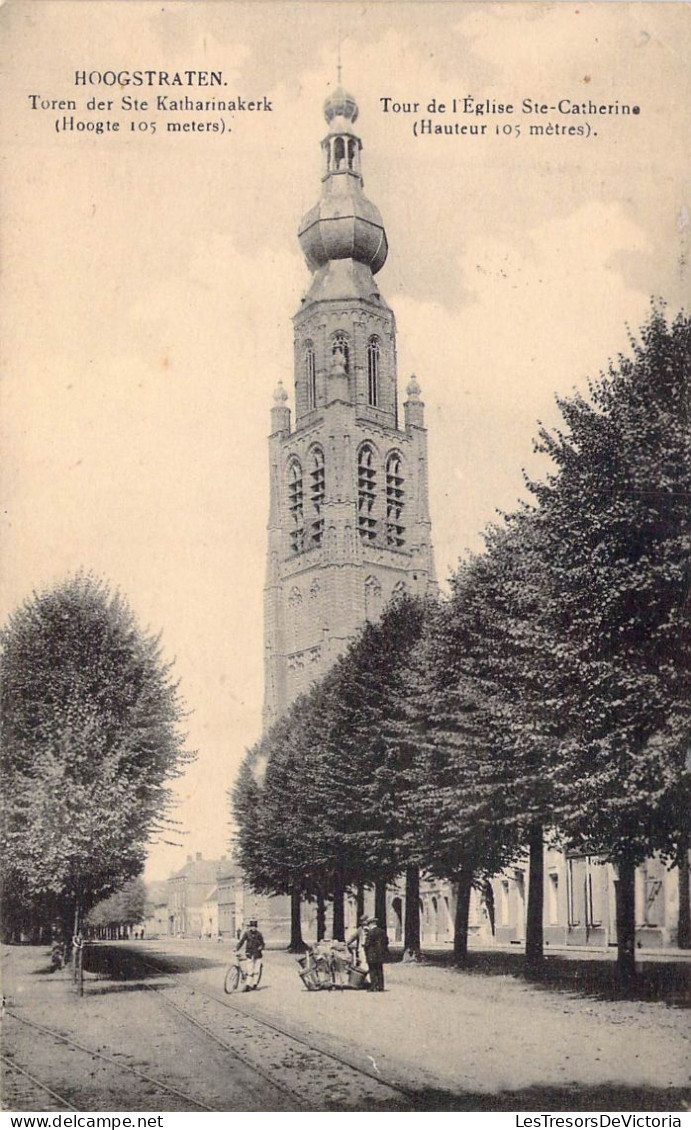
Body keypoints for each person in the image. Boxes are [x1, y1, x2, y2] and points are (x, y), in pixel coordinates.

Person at [235, 918, 264, 990]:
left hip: (258, 954)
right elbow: (242, 941)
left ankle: (254, 984)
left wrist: (261, 947)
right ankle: (248, 985)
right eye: (252, 926)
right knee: (249, 970)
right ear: (250, 927)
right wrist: (236, 948)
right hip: (249, 954)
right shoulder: (247, 934)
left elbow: (263, 943)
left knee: (256, 970)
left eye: (255, 926)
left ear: (256, 927)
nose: (253, 928)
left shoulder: (259, 934)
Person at [363, 916, 388, 992]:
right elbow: (386, 941)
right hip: (380, 954)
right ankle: (381, 986)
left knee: (372, 970)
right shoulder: (382, 931)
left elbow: (367, 944)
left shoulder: (370, 933)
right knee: (379, 970)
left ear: (371, 924)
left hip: (371, 954)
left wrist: (365, 948)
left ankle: (373, 986)